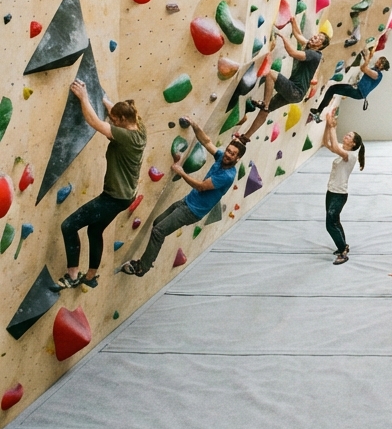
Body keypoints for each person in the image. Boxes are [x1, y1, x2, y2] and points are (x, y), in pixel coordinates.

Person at [121, 119, 241, 277]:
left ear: (237, 159)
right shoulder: (221, 159)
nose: (228, 154)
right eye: (228, 150)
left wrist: (181, 171)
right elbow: (206, 141)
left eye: (232, 154)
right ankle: (150, 257)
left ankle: (142, 267)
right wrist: (194, 125)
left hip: (192, 211)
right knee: (158, 223)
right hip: (187, 201)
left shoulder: (226, 175)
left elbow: (201, 186)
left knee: (158, 231)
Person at [55, 87, 147, 290]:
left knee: (68, 226)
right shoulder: (140, 129)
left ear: (122, 119)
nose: (112, 122)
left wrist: (84, 97)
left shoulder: (125, 136)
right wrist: (105, 100)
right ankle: (90, 276)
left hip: (112, 198)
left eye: (114, 120)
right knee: (95, 231)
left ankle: (72, 275)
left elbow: (94, 122)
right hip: (124, 197)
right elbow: (114, 111)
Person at [238, 16, 327, 141]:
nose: (314, 37)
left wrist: (283, 37)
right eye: (316, 35)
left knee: (270, 74)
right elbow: (299, 34)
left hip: (296, 90)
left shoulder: (314, 55)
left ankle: (265, 103)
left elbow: (293, 53)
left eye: (318, 38)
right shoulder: (309, 47)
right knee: (265, 112)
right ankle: (245, 138)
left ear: (320, 45)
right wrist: (293, 21)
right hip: (296, 93)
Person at [321, 110, 363, 264]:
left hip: (339, 194)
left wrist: (333, 127)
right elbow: (326, 143)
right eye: (347, 134)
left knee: (330, 223)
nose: (346, 136)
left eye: (349, 136)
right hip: (331, 192)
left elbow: (336, 148)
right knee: (335, 221)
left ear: (353, 144)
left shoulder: (350, 155)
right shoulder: (343, 150)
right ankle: (343, 245)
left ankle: (343, 252)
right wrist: (328, 126)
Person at [312, 49, 389, 115]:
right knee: (333, 89)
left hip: (358, 91)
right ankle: (319, 110)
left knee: (332, 89)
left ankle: (319, 110)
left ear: (382, 66)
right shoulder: (375, 70)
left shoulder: (377, 75)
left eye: (379, 62)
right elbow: (365, 67)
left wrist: (368, 58)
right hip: (357, 90)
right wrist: (366, 57)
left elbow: (364, 69)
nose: (377, 62)